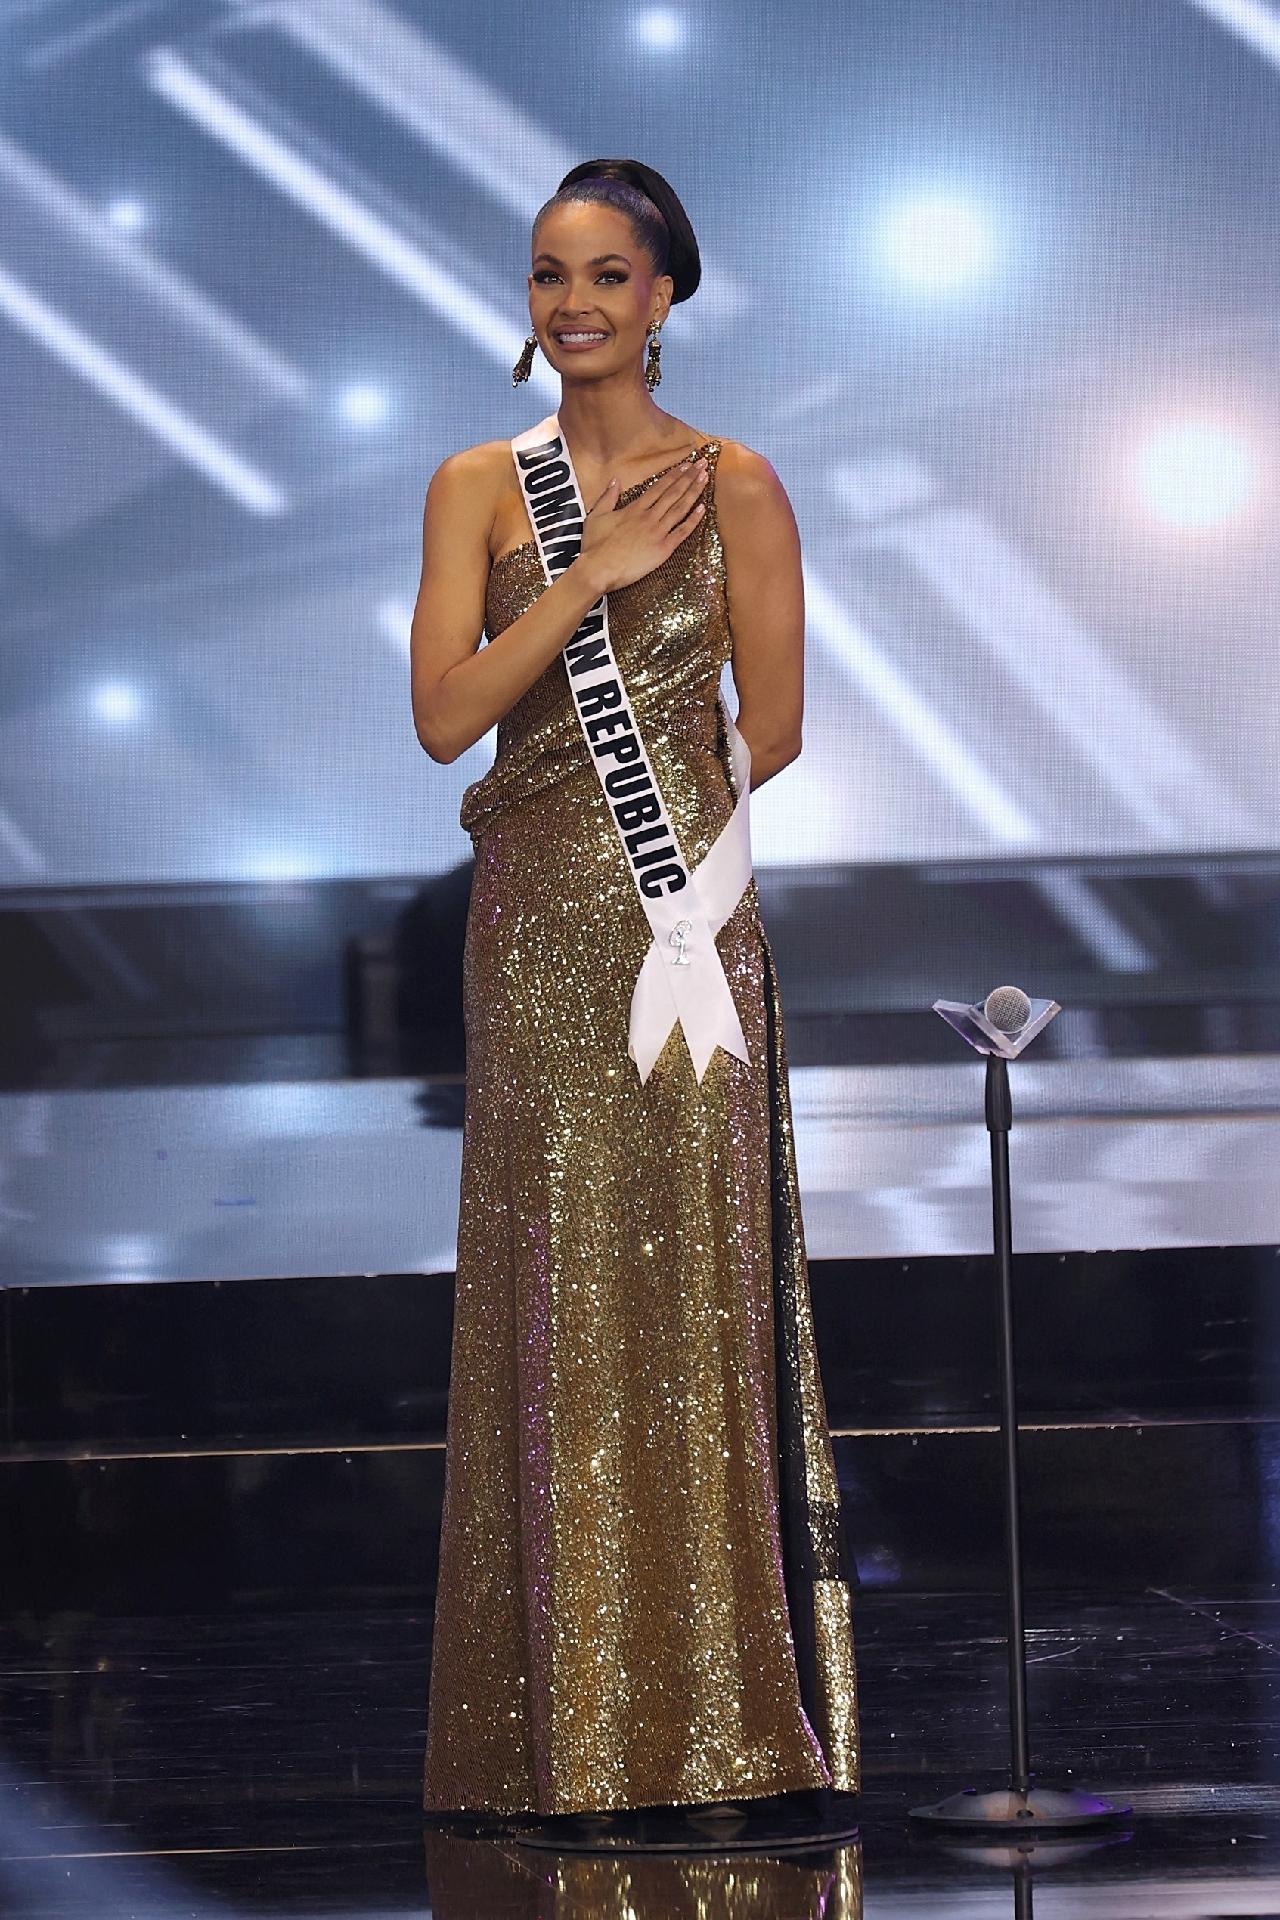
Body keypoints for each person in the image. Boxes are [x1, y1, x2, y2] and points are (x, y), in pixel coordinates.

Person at [411, 156, 858, 1837]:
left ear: (664, 296)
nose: (575, 304)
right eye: (550, 274)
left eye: (608, 275)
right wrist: (586, 576)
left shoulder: (739, 482)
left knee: (686, 1308)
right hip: (533, 929)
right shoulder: (477, 485)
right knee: (553, 1293)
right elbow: (445, 718)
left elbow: (777, 725)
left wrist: (685, 880)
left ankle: (711, 1724)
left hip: (685, 932)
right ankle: (559, 1730)